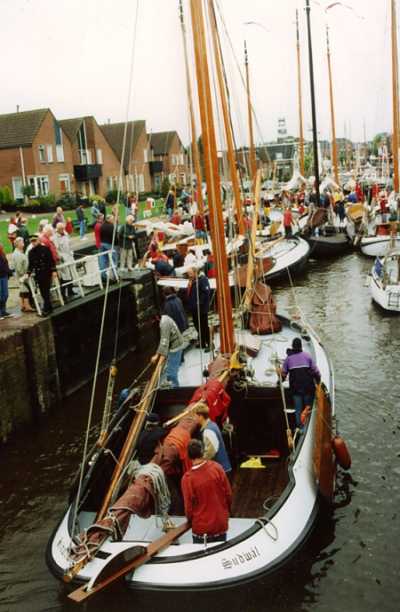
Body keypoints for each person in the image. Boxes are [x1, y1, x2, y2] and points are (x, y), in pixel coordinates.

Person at [181, 439, 232, 544]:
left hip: (202, 529)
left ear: (188, 456)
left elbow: (188, 508)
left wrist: (191, 520)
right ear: (202, 452)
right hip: (220, 524)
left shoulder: (187, 479)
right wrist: (225, 513)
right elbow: (228, 495)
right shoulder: (217, 468)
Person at [279, 337, 321, 430]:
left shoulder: (288, 359)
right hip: (308, 388)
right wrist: (318, 381)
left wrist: (279, 381)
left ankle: (299, 427)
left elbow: (283, 374)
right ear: (301, 346)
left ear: (293, 347)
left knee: (298, 409)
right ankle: (307, 426)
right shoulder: (307, 356)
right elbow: (316, 371)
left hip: (295, 389)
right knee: (307, 408)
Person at [194, 404, 232, 475]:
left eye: (195, 416)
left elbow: (210, 453)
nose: (194, 418)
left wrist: (199, 463)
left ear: (200, 416)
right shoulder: (213, 424)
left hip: (220, 470)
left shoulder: (208, 431)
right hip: (224, 468)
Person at [151, 313, 184, 388]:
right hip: (174, 344)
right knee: (169, 367)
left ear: (156, 318)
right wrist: (157, 354)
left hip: (176, 347)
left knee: (172, 372)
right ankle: (170, 382)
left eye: (152, 321)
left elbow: (164, 343)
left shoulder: (164, 324)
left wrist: (158, 360)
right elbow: (162, 341)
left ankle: (175, 388)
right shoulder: (164, 318)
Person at [28, 234, 56, 316]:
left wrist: (54, 271)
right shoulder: (31, 252)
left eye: (34, 241)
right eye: (32, 241)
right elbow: (31, 265)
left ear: (39, 240)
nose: (33, 243)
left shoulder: (45, 249)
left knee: (46, 291)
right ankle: (50, 308)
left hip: (47, 273)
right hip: (39, 275)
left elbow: (51, 261)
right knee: (43, 292)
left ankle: (45, 310)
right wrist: (28, 273)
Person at [186, 267, 210, 351]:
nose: (189, 275)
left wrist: (199, 303)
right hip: (194, 309)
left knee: (204, 326)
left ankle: (210, 343)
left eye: (190, 273)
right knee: (197, 326)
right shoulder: (192, 281)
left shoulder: (202, 280)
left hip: (201, 309)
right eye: (188, 274)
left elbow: (206, 292)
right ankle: (202, 342)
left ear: (195, 272)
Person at [11, 237, 34, 312]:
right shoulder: (18, 254)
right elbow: (19, 268)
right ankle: (27, 306)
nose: (23, 243)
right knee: (26, 290)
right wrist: (24, 275)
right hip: (22, 275)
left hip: (21, 275)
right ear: (17, 244)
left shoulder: (19, 252)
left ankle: (22, 305)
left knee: (23, 290)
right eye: (22, 242)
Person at [53, 222, 75, 300]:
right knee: (64, 277)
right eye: (61, 229)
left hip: (69, 256)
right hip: (63, 259)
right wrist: (61, 257)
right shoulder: (55, 237)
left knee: (71, 273)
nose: (63, 230)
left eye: (63, 228)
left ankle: (70, 290)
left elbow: (69, 244)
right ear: (57, 229)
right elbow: (56, 249)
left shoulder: (65, 233)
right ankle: (63, 293)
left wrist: (71, 252)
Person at [99, 214, 118, 281]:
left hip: (102, 244)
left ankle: (103, 275)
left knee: (103, 260)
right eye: (112, 219)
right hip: (109, 244)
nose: (113, 220)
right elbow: (114, 236)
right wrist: (117, 244)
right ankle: (115, 275)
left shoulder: (102, 225)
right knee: (114, 259)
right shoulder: (111, 226)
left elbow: (100, 235)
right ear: (109, 219)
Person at [0, 243, 12, 318]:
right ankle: (1, 312)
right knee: (0, 295)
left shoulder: (3, 254)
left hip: (4, 276)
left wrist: (9, 272)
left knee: (5, 295)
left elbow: (6, 265)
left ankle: (3, 311)